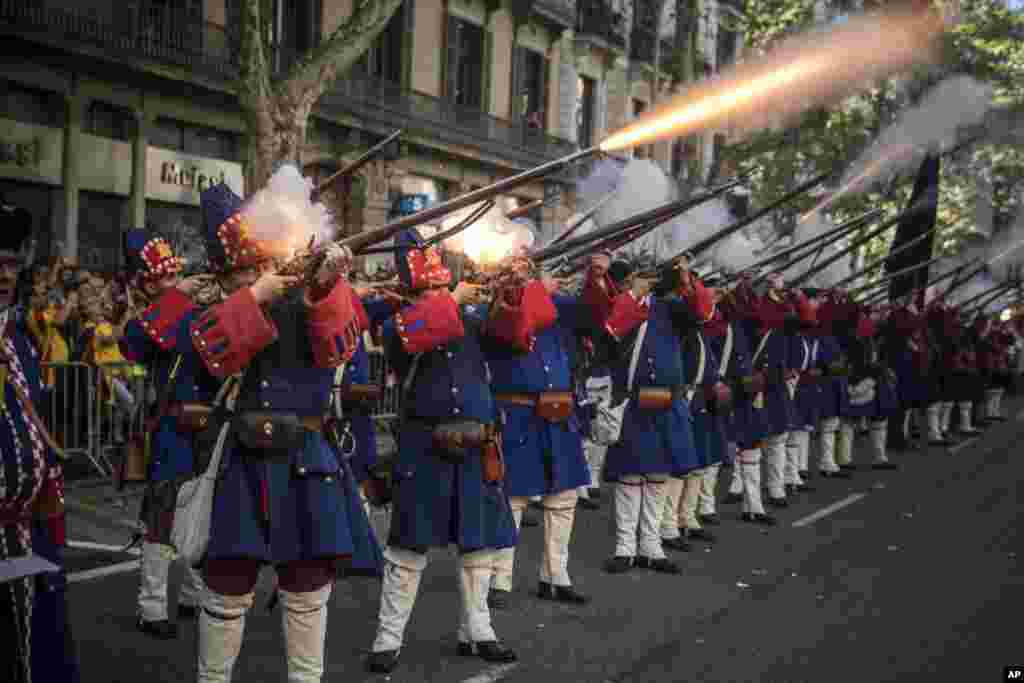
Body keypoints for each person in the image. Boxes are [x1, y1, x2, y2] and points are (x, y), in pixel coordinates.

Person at [189, 183, 382, 683]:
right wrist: (255, 296)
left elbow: (338, 346)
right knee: (226, 586)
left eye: (259, 266)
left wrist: (324, 285)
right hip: (243, 459)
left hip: (307, 459)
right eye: (242, 272)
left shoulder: (310, 301)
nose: (255, 275)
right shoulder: (225, 310)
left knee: (307, 587)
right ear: (224, 275)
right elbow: (210, 359)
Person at [366, 226, 518, 674]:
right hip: (423, 447)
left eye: (440, 285)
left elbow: (514, 332)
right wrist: (451, 300)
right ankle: (388, 637)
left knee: (479, 547)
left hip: (476, 445)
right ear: (409, 290)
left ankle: (479, 630)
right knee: (408, 549)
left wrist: (512, 286)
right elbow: (419, 333)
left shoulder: (468, 317)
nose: (437, 291)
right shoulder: (400, 325)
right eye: (428, 287)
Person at [583, 254, 708, 574]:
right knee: (630, 476)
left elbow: (703, 312)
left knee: (658, 475)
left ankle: (651, 546)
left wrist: (685, 277)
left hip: (667, 402)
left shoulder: (672, 309)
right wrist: (633, 294)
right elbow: (613, 327)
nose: (649, 282)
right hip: (634, 402)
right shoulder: (624, 305)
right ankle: (625, 546)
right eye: (642, 277)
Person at [117, 229, 213, 638]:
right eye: (161, 280)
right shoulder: (151, 318)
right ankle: (151, 607)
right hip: (171, 428)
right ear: (146, 284)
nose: (170, 284)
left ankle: (194, 595)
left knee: (201, 512)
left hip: (206, 424)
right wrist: (178, 299)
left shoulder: (189, 310)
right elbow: (133, 345)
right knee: (161, 517)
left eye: (173, 277)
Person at [0, 201, 80, 683]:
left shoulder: (21, 336)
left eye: (10, 263)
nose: (3, 275)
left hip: (27, 531)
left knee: (25, 653)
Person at [484, 260, 592, 608]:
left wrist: (598, 274)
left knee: (563, 499)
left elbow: (595, 310)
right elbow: (511, 323)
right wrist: (527, 287)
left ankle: (555, 575)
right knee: (512, 499)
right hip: (518, 415)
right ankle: (499, 581)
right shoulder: (504, 303)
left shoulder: (554, 306)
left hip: (557, 415)